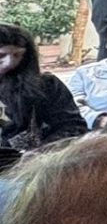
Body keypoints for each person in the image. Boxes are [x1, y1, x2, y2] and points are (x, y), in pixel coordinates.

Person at [0, 22, 87, 153]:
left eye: (17, 55)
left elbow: (72, 126)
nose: (9, 63)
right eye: (1, 55)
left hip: (33, 160)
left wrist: (41, 152)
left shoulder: (47, 85)